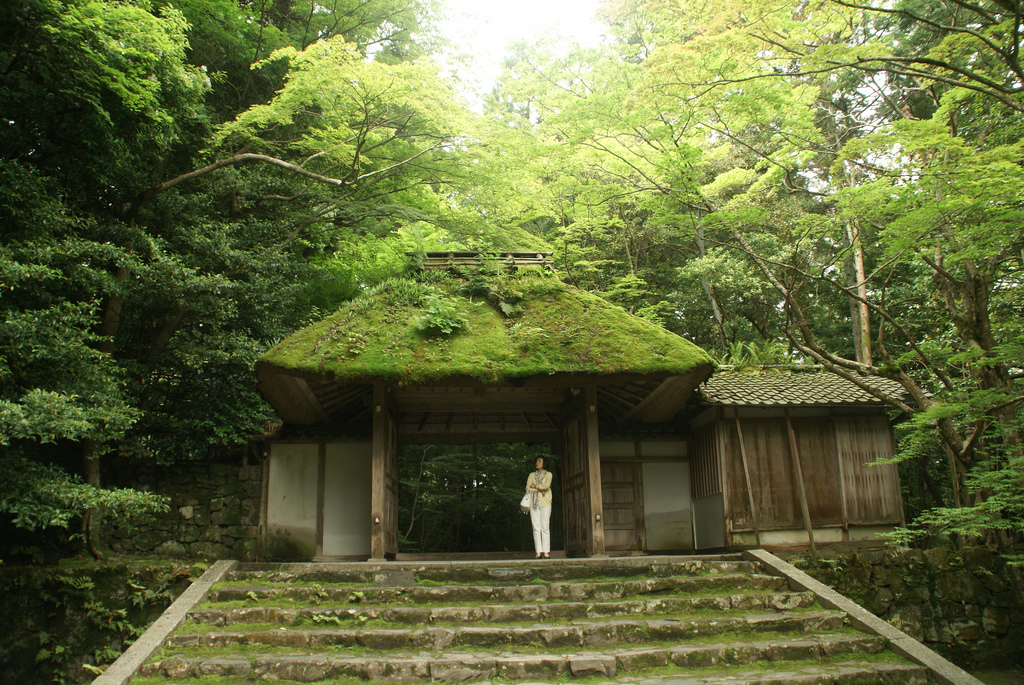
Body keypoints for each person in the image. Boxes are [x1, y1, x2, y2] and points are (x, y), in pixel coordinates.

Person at [526, 455, 553, 559]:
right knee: (536, 528)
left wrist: (536, 486)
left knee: (545, 527)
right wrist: (539, 488)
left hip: (545, 502)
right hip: (534, 502)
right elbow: (528, 488)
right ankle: (538, 551)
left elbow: (546, 486)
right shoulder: (532, 475)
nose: (537, 462)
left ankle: (546, 551)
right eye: (537, 461)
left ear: (544, 463)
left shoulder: (548, 474)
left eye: (540, 461)